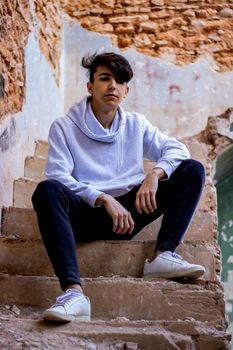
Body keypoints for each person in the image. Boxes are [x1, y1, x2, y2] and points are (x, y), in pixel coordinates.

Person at [32, 52, 205, 322]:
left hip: (131, 213)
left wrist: (154, 175)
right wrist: (102, 198)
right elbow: (57, 174)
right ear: (90, 86)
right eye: (104, 78)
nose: (112, 85)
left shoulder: (136, 124)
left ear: (126, 90)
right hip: (85, 215)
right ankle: (74, 294)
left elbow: (177, 149)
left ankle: (164, 254)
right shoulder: (64, 127)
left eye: (119, 81)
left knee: (192, 170)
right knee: (47, 190)